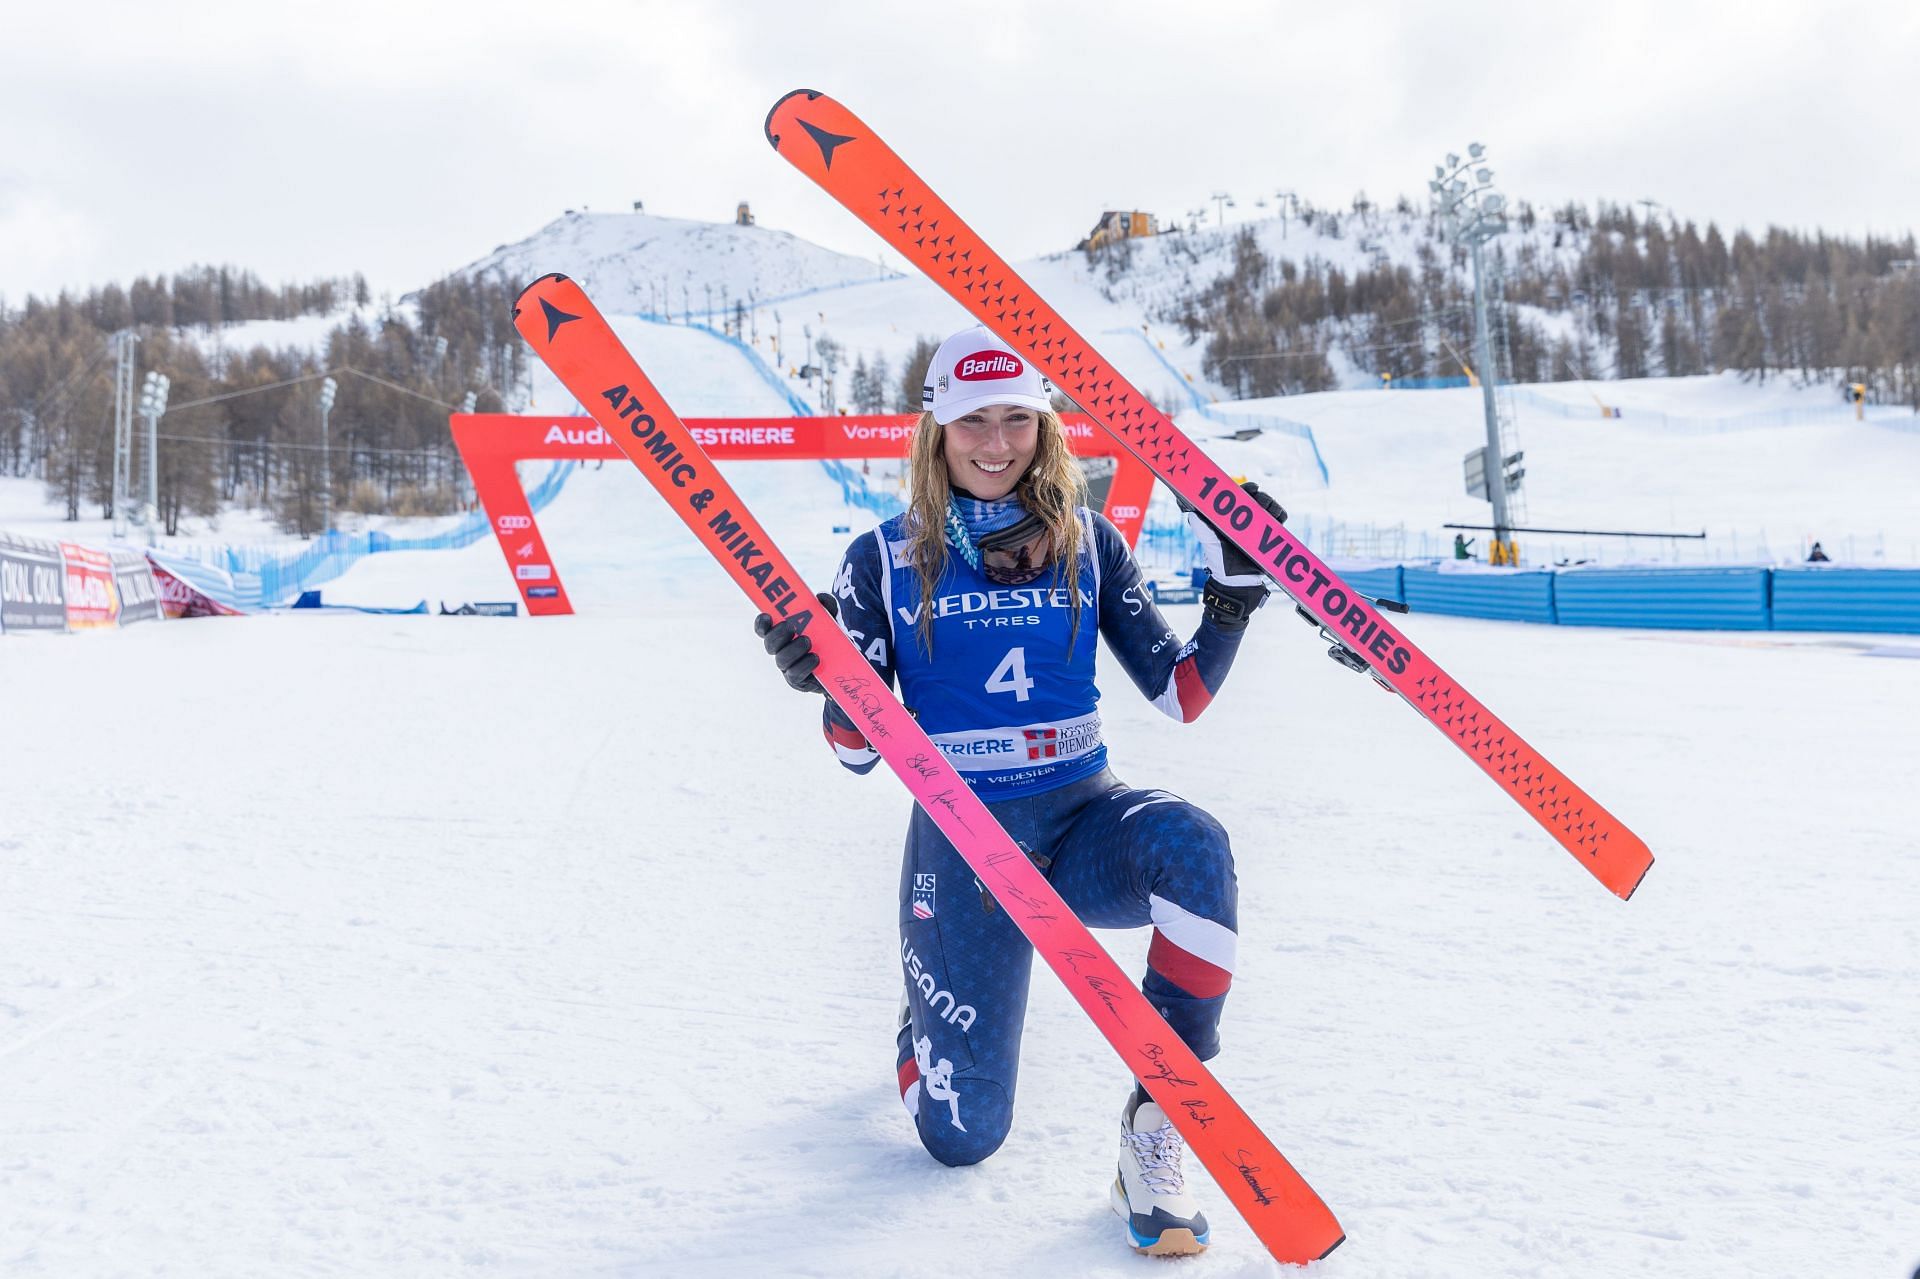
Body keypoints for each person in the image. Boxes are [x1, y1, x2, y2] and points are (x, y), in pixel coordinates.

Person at [753, 326, 1285, 1257]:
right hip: (965, 849)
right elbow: (855, 754)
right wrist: (828, 679)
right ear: (935, 429)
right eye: (972, 423)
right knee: (963, 1139)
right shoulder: (881, 557)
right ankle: (925, 1030)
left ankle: (1157, 1127)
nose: (996, 444)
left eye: (1017, 420)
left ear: (1046, 427)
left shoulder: (1089, 542)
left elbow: (1181, 693)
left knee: (1196, 843)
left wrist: (1232, 598)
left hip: (1082, 821)